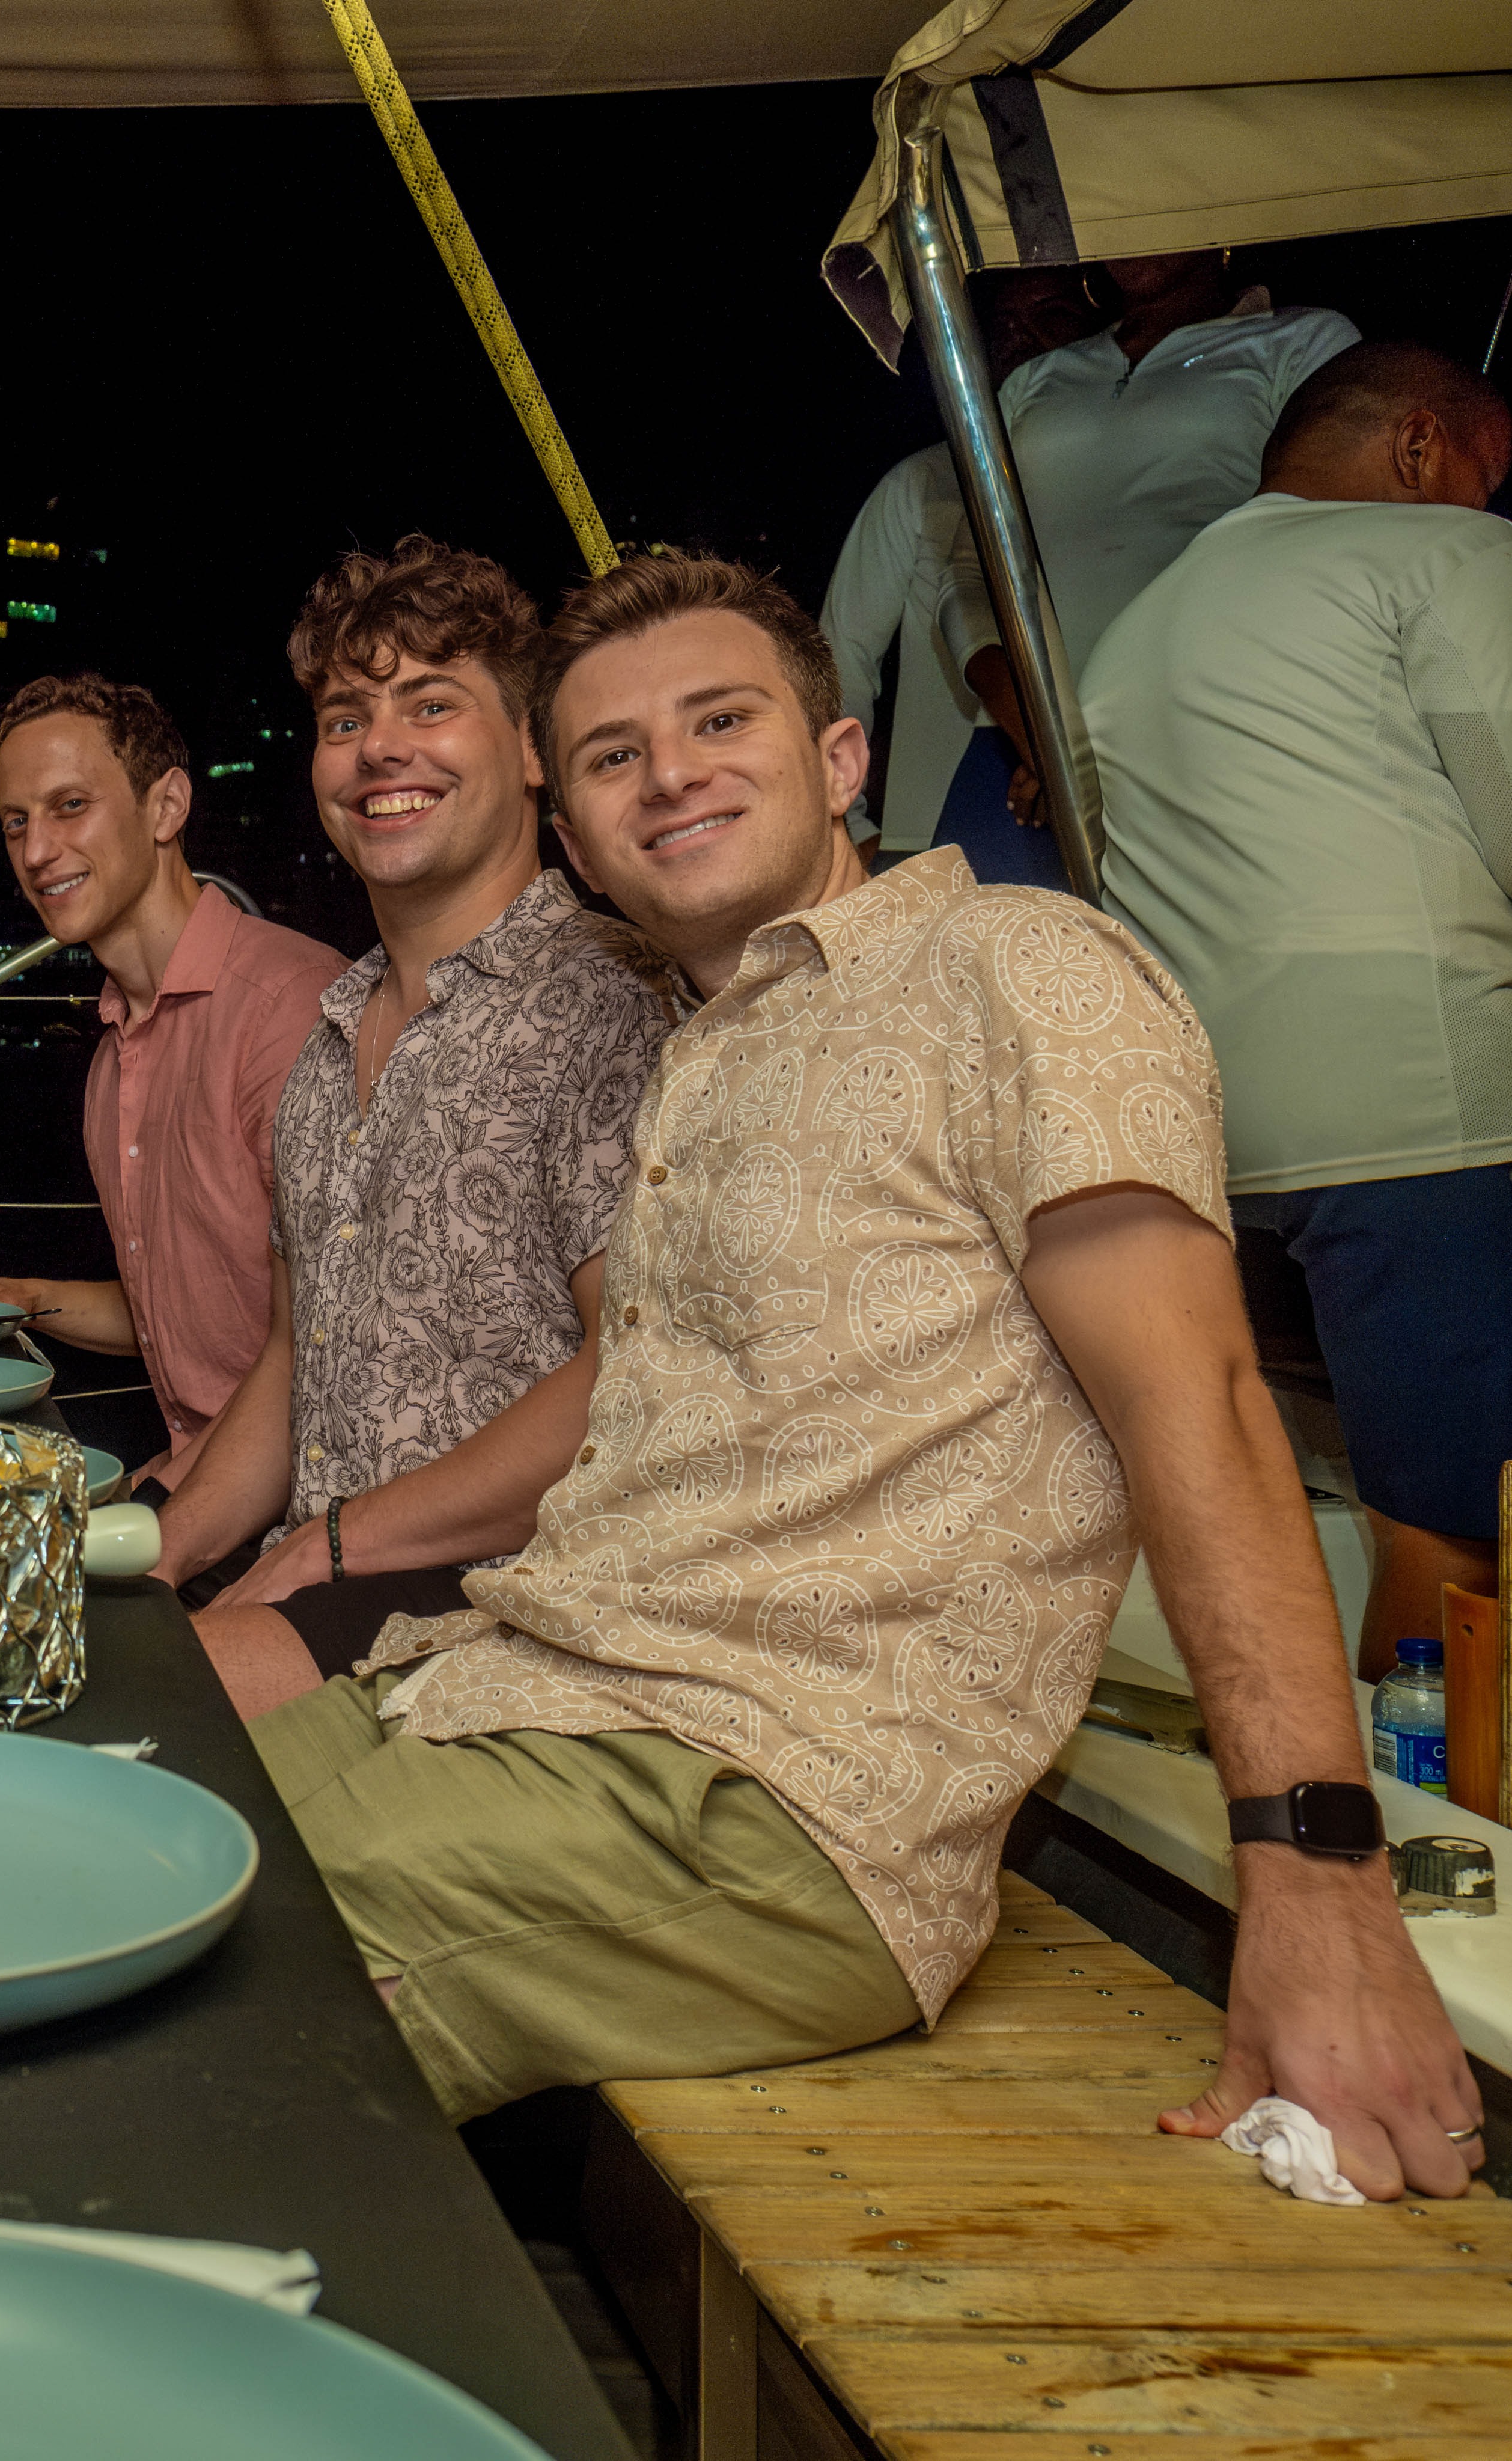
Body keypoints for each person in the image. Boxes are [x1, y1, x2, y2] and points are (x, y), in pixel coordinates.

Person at [253, 551, 1477, 2200]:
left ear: (839, 760)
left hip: (763, 1802)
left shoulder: (1015, 964)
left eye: (718, 720)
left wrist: (1317, 1873)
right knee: (118, 1825)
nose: (666, 771)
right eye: (612, 753)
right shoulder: (707, 1053)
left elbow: (1201, 1401)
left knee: (164, 1981)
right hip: (508, 1686)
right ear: (578, 837)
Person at [173, 540, 673, 1712]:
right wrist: (157, 1555)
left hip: (513, 1593)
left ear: (533, 751)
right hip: (327, 1570)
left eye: (430, 704)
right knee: (60, 1648)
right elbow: (293, 1361)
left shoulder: (611, 1003)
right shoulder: (326, 1039)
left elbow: (634, 1375)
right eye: (345, 719)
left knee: (119, 1724)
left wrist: (331, 1543)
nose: (379, 746)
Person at [1084, 340, 1512, 1678]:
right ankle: (1427, 1803)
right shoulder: (1438, 555)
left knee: (1384, 1492)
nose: (1487, 505)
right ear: (1419, 445)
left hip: (1223, 1137)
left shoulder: (1140, 622)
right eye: (1486, 474)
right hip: (1427, 1108)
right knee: (1458, 1528)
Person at [0, 676, 347, 1536]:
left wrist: (153, 1511)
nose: (38, 851)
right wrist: (19, 1296)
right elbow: (196, 1310)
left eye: (70, 806)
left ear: (167, 807)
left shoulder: (289, 1009)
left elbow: (330, 1348)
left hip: (308, 1507)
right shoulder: (113, 1059)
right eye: (15, 821)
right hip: (198, 1481)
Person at [947, 251, 1357, 873]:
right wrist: (1042, 737)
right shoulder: (1037, 378)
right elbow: (967, 573)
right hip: (1020, 755)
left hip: (1207, 735)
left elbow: (1314, 550)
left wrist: (1112, 736)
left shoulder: (1302, 340)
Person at [818, 271, 1098, 875]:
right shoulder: (925, 483)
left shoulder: (1121, 489)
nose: (1020, 336)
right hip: (941, 827)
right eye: (1003, 325)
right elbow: (841, 660)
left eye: (1051, 315)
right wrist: (853, 829)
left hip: (1111, 788)